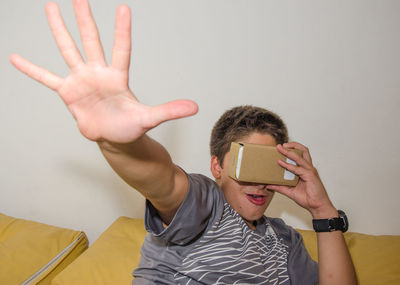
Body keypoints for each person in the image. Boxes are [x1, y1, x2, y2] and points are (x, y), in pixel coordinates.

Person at [10, 0, 358, 284]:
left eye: (268, 166)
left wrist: (323, 211)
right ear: (217, 166)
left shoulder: (286, 241)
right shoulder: (206, 207)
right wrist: (118, 144)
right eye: (246, 164)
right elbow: (162, 181)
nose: (259, 184)